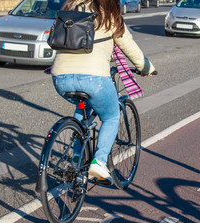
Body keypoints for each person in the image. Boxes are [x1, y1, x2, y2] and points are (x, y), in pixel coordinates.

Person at [50, 0, 156, 181]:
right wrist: (146, 68)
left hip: (60, 78)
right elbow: (128, 45)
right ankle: (98, 162)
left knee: (82, 110)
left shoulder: (70, 6)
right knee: (111, 116)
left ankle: (76, 159)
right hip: (94, 79)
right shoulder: (108, 12)